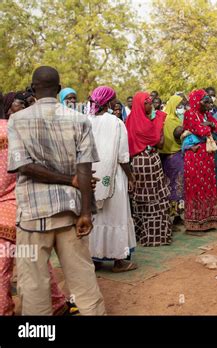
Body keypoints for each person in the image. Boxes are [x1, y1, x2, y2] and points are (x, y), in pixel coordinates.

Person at [7, 66, 105, 315]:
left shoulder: (17, 120)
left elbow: (24, 166)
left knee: (34, 285)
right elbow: (84, 169)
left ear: (33, 88)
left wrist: (68, 180)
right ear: (59, 90)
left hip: (32, 216)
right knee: (83, 278)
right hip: (71, 214)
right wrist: (85, 212)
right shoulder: (80, 120)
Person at [0, 91, 77, 316]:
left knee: (4, 266)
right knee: (36, 259)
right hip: (27, 207)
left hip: (6, 210)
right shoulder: (23, 129)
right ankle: (55, 304)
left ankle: (4, 310)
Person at [87, 86, 137, 272]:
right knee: (116, 216)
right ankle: (118, 261)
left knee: (95, 218)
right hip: (113, 178)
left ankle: (95, 259)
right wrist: (131, 177)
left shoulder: (85, 121)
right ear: (109, 102)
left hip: (91, 177)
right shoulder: (116, 123)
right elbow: (123, 157)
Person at [126, 92, 171, 246]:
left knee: (142, 200)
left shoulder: (131, 120)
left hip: (138, 163)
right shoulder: (148, 123)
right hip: (148, 163)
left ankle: (143, 234)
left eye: (151, 102)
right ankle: (155, 236)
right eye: (147, 103)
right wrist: (159, 124)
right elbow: (159, 143)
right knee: (153, 199)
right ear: (140, 104)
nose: (151, 105)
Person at [183, 89, 217, 232]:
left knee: (207, 186)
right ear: (196, 102)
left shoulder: (207, 115)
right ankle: (195, 224)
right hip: (194, 156)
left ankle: (208, 221)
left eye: (209, 101)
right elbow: (201, 131)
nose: (208, 105)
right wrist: (208, 126)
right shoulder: (189, 114)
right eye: (205, 102)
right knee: (195, 186)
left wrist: (210, 125)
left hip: (206, 155)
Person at [160, 95, 187, 223]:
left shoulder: (171, 118)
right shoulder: (169, 120)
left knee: (175, 186)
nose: (180, 108)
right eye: (178, 106)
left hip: (171, 157)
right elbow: (176, 137)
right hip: (173, 156)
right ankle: (174, 215)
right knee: (175, 186)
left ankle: (176, 215)